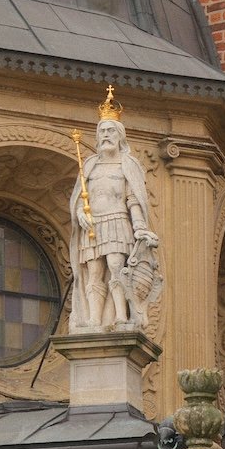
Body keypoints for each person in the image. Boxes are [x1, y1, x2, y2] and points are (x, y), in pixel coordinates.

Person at [70, 89, 160, 331]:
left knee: (116, 268)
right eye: (102, 131)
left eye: (110, 131)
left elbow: (133, 199)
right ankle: (94, 320)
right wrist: (80, 213)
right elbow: (81, 196)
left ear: (120, 136)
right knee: (94, 272)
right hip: (93, 223)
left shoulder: (127, 164)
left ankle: (121, 315)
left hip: (117, 221)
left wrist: (140, 228)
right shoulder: (89, 164)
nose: (105, 135)